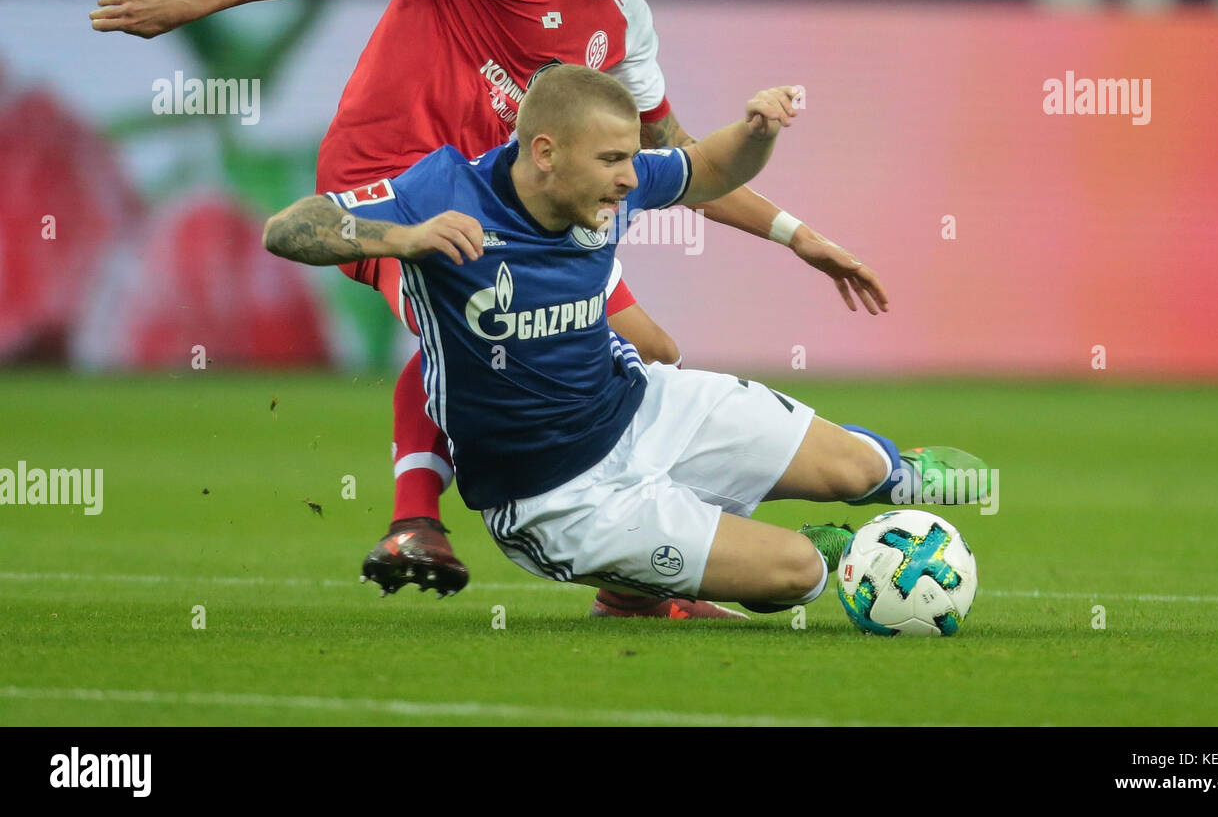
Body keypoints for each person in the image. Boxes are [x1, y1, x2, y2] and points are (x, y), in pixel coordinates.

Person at [90, 0, 887, 617]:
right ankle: (414, 520)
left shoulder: (623, 23)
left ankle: (638, 574)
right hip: (391, 182)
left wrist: (798, 236)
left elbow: (682, 159)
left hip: (506, 207)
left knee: (653, 348)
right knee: (472, 310)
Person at [262, 65, 983, 614]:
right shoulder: (442, 193)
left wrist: (756, 132)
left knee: (858, 467)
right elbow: (287, 228)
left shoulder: (620, 181)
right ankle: (831, 553)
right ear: (545, 152)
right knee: (797, 574)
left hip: (640, 410)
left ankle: (899, 480)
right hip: (556, 499)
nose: (628, 179)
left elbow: (708, 171)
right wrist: (403, 236)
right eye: (611, 160)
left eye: (631, 158)